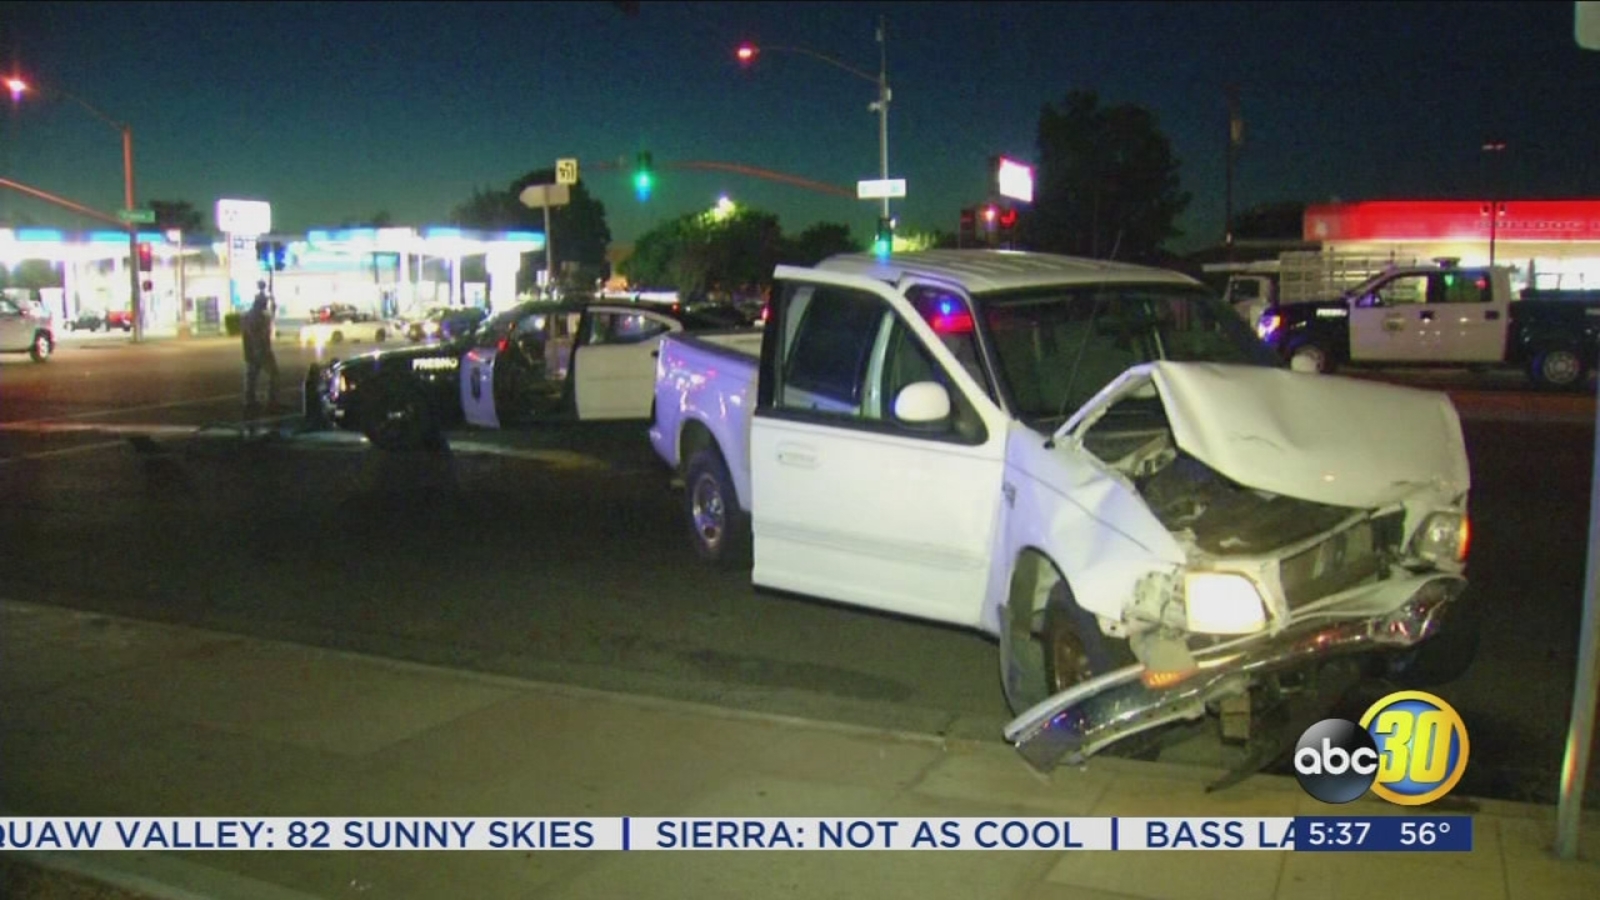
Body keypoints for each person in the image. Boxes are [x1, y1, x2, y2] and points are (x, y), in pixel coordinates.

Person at [241, 281, 280, 413]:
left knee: (251, 378)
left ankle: (250, 401)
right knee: (273, 374)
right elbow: (259, 334)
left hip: (251, 351)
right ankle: (271, 399)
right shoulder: (260, 317)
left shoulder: (247, 316)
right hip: (261, 350)